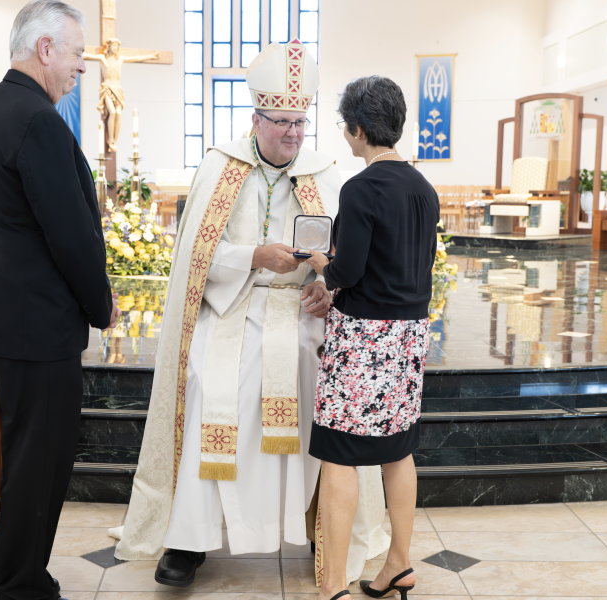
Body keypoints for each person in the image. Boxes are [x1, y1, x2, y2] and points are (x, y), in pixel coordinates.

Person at [110, 40, 388, 588]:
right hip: (231, 301)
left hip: (302, 309)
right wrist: (251, 257)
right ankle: (189, 539)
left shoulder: (324, 171)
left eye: (300, 122)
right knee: (207, 376)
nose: (292, 133)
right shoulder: (221, 166)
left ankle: (321, 526)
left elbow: (348, 257)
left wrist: (327, 286)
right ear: (255, 119)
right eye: (281, 121)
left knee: (317, 375)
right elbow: (192, 256)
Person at [0, 2, 117, 599]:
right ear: (46, 49)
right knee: (41, 463)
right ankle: (19, 586)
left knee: (30, 459)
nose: (83, 66)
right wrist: (99, 302)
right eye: (78, 54)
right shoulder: (36, 119)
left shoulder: (0, 107)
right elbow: (71, 232)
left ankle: (4, 574)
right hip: (37, 321)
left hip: (15, 317)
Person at [303, 76, 439, 600]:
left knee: (338, 456)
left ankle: (333, 584)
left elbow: (350, 269)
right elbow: (416, 264)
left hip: (363, 341)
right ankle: (399, 564)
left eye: (345, 127)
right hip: (409, 338)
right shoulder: (423, 188)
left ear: (359, 130)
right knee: (397, 452)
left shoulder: (360, 188)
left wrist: (323, 267)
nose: (345, 136)